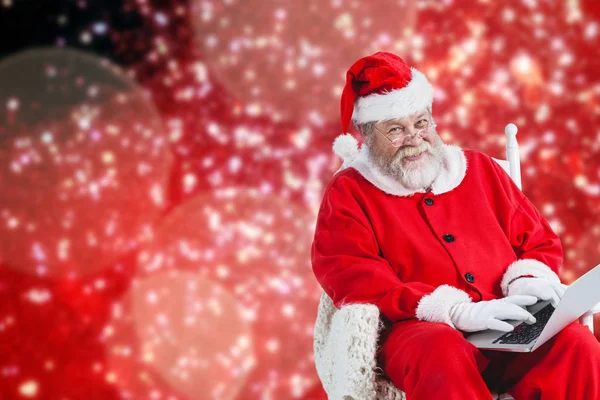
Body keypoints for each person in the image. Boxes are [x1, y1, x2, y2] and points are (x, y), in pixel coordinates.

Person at [311, 51, 600, 399]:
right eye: (396, 130)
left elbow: (537, 238)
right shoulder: (350, 191)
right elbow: (351, 273)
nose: (415, 139)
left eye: (421, 123)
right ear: (367, 135)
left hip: (506, 319)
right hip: (419, 331)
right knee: (441, 350)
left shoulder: (478, 168)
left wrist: (527, 282)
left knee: (576, 343)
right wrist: (453, 310)